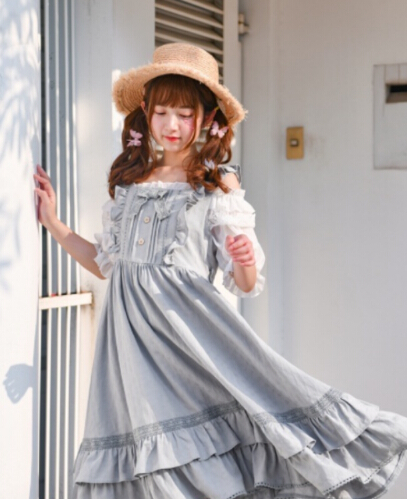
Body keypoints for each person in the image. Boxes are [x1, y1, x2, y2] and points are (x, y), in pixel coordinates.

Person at [34, 43, 407, 499]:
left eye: (185, 114)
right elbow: (108, 264)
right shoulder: (129, 184)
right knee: (145, 469)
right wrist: (55, 225)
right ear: (145, 112)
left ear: (207, 118)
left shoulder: (216, 184)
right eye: (162, 112)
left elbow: (245, 284)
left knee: (195, 467)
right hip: (128, 352)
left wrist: (245, 258)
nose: (172, 126)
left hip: (190, 347)